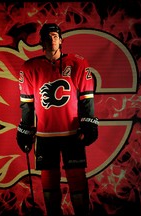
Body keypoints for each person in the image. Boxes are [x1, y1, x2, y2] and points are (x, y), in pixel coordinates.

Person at [16, 23, 99, 216]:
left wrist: (89, 123)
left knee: (77, 178)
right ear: (41, 42)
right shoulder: (29, 68)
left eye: (55, 35)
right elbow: (26, 104)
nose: (52, 39)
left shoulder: (77, 63)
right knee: (49, 181)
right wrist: (25, 129)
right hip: (45, 135)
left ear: (61, 40)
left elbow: (87, 97)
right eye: (47, 37)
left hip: (72, 133)